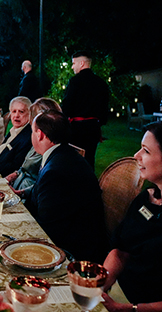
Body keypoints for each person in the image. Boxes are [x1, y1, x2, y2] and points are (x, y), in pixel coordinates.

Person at [102, 121, 162, 312]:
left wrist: (125, 308)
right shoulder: (145, 199)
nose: (136, 156)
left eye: (146, 151)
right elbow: (120, 251)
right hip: (117, 295)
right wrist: (99, 286)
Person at [25, 110, 109, 262]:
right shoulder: (62, 154)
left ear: (40, 135)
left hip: (73, 252)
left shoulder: (55, 170)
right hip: (71, 234)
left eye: (32, 131)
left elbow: (47, 226)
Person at [61, 51, 109, 170]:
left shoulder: (74, 81)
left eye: (73, 63)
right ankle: (89, 185)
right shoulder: (101, 83)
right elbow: (104, 110)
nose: (72, 67)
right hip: (93, 129)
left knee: (74, 160)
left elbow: (66, 106)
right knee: (89, 159)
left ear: (81, 63)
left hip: (76, 130)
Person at [7, 98, 61, 198]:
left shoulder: (52, 153)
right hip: (21, 189)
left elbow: (44, 186)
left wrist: (21, 193)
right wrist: (15, 174)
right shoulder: (46, 145)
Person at [0, 97, 33, 177]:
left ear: (29, 114)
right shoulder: (15, 130)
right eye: (14, 111)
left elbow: (16, 166)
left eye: (21, 112)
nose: (16, 115)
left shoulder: (27, 136)